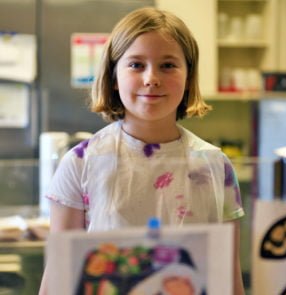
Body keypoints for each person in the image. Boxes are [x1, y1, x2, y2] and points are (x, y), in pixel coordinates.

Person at [39, 7, 245, 295]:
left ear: (189, 76)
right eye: (136, 65)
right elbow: (58, 281)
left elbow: (230, 279)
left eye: (168, 65)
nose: (152, 78)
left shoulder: (215, 166)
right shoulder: (81, 163)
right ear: (113, 76)